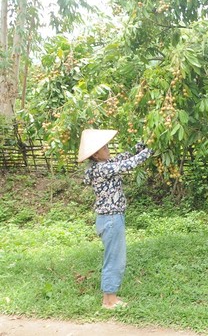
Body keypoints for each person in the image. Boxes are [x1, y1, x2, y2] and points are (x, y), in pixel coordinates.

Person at [77, 129, 153, 309]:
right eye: (104, 147)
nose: (108, 149)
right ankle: (109, 300)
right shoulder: (102, 169)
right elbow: (129, 164)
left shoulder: (100, 165)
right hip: (111, 219)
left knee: (114, 257)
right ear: (96, 154)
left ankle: (110, 297)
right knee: (114, 259)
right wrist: (150, 151)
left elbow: (124, 157)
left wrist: (143, 143)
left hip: (110, 218)